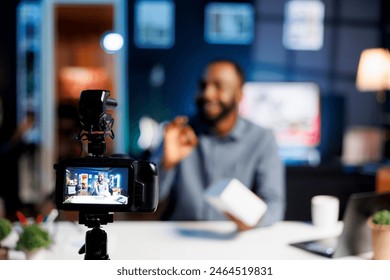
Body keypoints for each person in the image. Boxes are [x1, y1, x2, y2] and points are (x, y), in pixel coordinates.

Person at [153, 59, 286, 229]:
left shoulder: (262, 139)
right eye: (203, 85)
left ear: (239, 94)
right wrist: (166, 164)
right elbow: (147, 200)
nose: (208, 94)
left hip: (231, 239)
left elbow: (275, 206)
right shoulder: (178, 133)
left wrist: (254, 218)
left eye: (219, 86)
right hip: (179, 238)